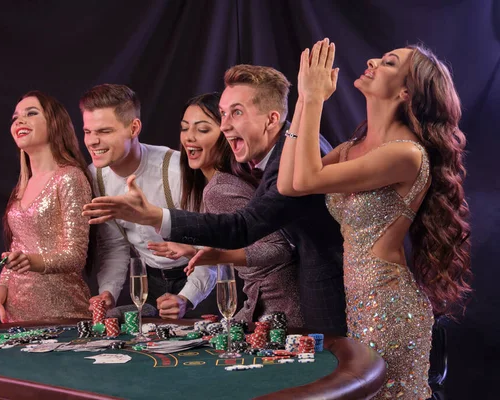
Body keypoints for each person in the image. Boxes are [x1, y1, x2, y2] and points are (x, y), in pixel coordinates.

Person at [82, 66, 347, 335]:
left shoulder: (242, 176)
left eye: (236, 113)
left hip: (310, 291)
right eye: (222, 114)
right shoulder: (270, 156)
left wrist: (154, 216)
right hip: (279, 293)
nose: (225, 125)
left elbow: (246, 228)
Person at [277, 39, 472, 399]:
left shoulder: (406, 154)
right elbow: (289, 184)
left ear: (405, 93)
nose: (373, 61)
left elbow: (306, 178)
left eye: (389, 63)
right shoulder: (355, 148)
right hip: (360, 303)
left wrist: (317, 99)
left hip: (390, 308)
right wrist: (304, 101)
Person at [147, 93, 302, 327]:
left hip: (278, 306)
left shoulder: (220, 188)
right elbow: (246, 241)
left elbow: (280, 249)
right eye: (185, 128)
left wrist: (220, 256)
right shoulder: (220, 182)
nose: (189, 138)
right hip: (263, 301)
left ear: (225, 135)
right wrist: (195, 252)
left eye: (202, 129)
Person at [80, 84, 216, 319]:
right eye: (87, 131)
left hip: (202, 285)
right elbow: (115, 246)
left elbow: (211, 247)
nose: (92, 141)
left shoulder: (177, 170)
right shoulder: (94, 177)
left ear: (134, 128)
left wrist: (186, 297)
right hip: (149, 284)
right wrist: (108, 292)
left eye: (104, 131)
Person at [0, 91, 92, 327]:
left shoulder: (70, 177)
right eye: (15, 118)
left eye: (31, 114)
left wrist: (31, 261)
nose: (19, 121)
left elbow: (75, 256)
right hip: (16, 320)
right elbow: (16, 252)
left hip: (62, 317)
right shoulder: (23, 186)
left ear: (54, 123)